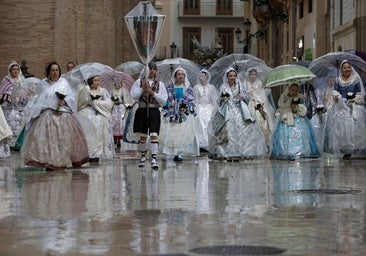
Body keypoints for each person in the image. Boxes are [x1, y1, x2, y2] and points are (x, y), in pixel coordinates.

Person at [21, 62, 89, 170]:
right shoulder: (42, 84)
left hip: (63, 115)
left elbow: (72, 98)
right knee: (48, 140)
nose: (55, 72)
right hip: (47, 115)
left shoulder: (64, 83)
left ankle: (62, 161)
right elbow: (37, 99)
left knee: (62, 140)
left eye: (57, 70)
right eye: (52, 70)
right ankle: (49, 161)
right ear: (48, 72)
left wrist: (65, 101)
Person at [207, 67, 267, 161]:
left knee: (243, 128)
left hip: (239, 109)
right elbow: (219, 100)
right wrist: (223, 99)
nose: (232, 77)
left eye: (234, 75)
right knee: (226, 129)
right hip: (227, 110)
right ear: (227, 77)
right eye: (230, 76)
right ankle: (227, 152)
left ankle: (242, 151)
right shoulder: (224, 87)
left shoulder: (240, 85)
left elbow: (247, 98)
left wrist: (242, 97)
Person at [323, 60, 366, 160]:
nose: (347, 69)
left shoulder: (355, 79)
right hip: (340, 105)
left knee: (354, 123)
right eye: (344, 67)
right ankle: (345, 150)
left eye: (348, 67)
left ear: (351, 68)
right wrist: (336, 96)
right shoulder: (338, 79)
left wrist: (354, 99)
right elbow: (335, 91)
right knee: (341, 126)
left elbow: (360, 93)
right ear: (341, 69)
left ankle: (355, 148)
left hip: (353, 104)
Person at [130, 62, 167, 169]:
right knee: (143, 134)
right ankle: (142, 156)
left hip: (154, 110)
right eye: (150, 69)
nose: (152, 71)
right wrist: (142, 89)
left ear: (156, 71)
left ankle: (154, 157)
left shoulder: (160, 84)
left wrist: (152, 92)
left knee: (154, 133)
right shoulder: (139, 82)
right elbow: (133, 96)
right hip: (142, 110)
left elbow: (164, 100)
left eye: (154, 69)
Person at [270, 83, 320, 160]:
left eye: (296, 91)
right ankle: (286, 151)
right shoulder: (284, 96)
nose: (294, 92)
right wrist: (289, 104)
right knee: (285, 133)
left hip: (298, 118)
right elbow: (281, 105)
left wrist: (297, 107)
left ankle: (301, 150)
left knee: (301, 132)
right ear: (289, 89)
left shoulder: (299, 97)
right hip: (286, 117)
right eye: (292, 90)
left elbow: (303, 109)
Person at [159, 66, 199, 161]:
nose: (180, 76)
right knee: (172, 132)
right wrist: (170, 103)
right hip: (172, 112)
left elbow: (191, 99)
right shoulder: (170, 86)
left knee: (183, 133)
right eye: (179, 74)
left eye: (182, 74)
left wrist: (185, 105)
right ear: (175, 76)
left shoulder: (187, 87)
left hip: (183, 112)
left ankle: (180, 153)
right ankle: (172, 152)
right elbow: (166, 98)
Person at [77, 75, 115, 161]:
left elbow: (109, 103)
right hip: (89, 111)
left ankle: (99, 152)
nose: (97, 82)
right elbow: (81, 102)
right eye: (95, 81)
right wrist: (90, 100)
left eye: (98, 80)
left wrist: (97, 103)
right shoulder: (86, 90)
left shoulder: (103, 91)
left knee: (101, 124)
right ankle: (89, 152)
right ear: (91, 82)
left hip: (100, 112)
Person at [242, 68, 275, 146]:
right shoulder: (245, 83)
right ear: (249, 75)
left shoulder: (260, 83)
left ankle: (264, 141)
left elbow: (263, 95)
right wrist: (247, 94)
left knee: (263, 121)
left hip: (259, 104)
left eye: (254, 74)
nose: (253, 76)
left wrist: (260, 103)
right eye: (251, 74)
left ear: (257, 75)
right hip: (250, 104)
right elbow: (244, 95)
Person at [0, 61, 26, 148]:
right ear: (10, 70)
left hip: (19, 107)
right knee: (10, 123)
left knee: (19, 124)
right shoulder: (6, 80)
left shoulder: (22, 81)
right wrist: (8, 97)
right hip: (8, 107)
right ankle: (9, 144)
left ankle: (18, 144)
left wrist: (20, 97)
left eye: (17, 69)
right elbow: (1, 93)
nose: (15, 71)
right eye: (14, 69)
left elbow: (26, 94)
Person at [193, 69, 218, 151]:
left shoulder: (211, 87)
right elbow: (195, 99)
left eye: (203, 76)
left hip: (208, 106)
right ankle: (200, 143)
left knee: (209, 119)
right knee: (199, 119)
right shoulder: (196, 87)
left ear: (207, 77)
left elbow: (214, 99)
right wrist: (196, 108)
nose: (202, 78)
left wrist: (215, 108)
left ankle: (209, 143)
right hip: (199, 106)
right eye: (200, 76)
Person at [110, 79, 135, 152]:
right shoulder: (112, 89)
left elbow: (126, 98)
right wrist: (113, 99)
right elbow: (110, 97)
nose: (117, 84)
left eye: (118, 83)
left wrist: (126, 105)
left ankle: (119, 140)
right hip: (114, 107)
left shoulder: (123, 89)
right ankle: (114, 138)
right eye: (116, 83)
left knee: (121, 122)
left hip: (121, 107)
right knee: (114, 122)